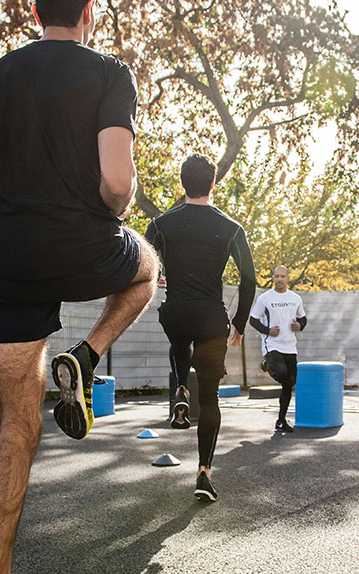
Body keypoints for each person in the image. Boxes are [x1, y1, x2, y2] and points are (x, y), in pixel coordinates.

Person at [0, 0, 158, 574]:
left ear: (33, 12)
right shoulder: (111, 73)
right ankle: (86, 354)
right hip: (86, 249)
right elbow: (115, 182)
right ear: (88, 14)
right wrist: (113, 204)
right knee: (147, 269)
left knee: (16, 434)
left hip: (9, 265)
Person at [144, 154, 257, 502]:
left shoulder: (161, 224)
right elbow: (249, 280)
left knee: (179, 342)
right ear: (212, 183)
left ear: (182, 182)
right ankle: (204, 473)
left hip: (175, 311)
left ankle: (179, 388)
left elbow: (144, 261)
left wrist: (158, 274)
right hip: (211, 318)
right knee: (210, 397)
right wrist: (239, 322)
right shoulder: (231, 227)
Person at [248, 265, 307, 433]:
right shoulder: (265, 298)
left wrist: (299, 326)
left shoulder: (295, 298)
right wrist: (267, 331)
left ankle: (281, 421)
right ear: (273, 278)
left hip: (290, 346)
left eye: (282, 276)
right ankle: (269, 363)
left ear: (288, 278)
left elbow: (303, 318)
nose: (279, 279)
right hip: (272, 345)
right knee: (281, 374)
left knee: (290, 383)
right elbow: (253, 320)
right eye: (276, 276)